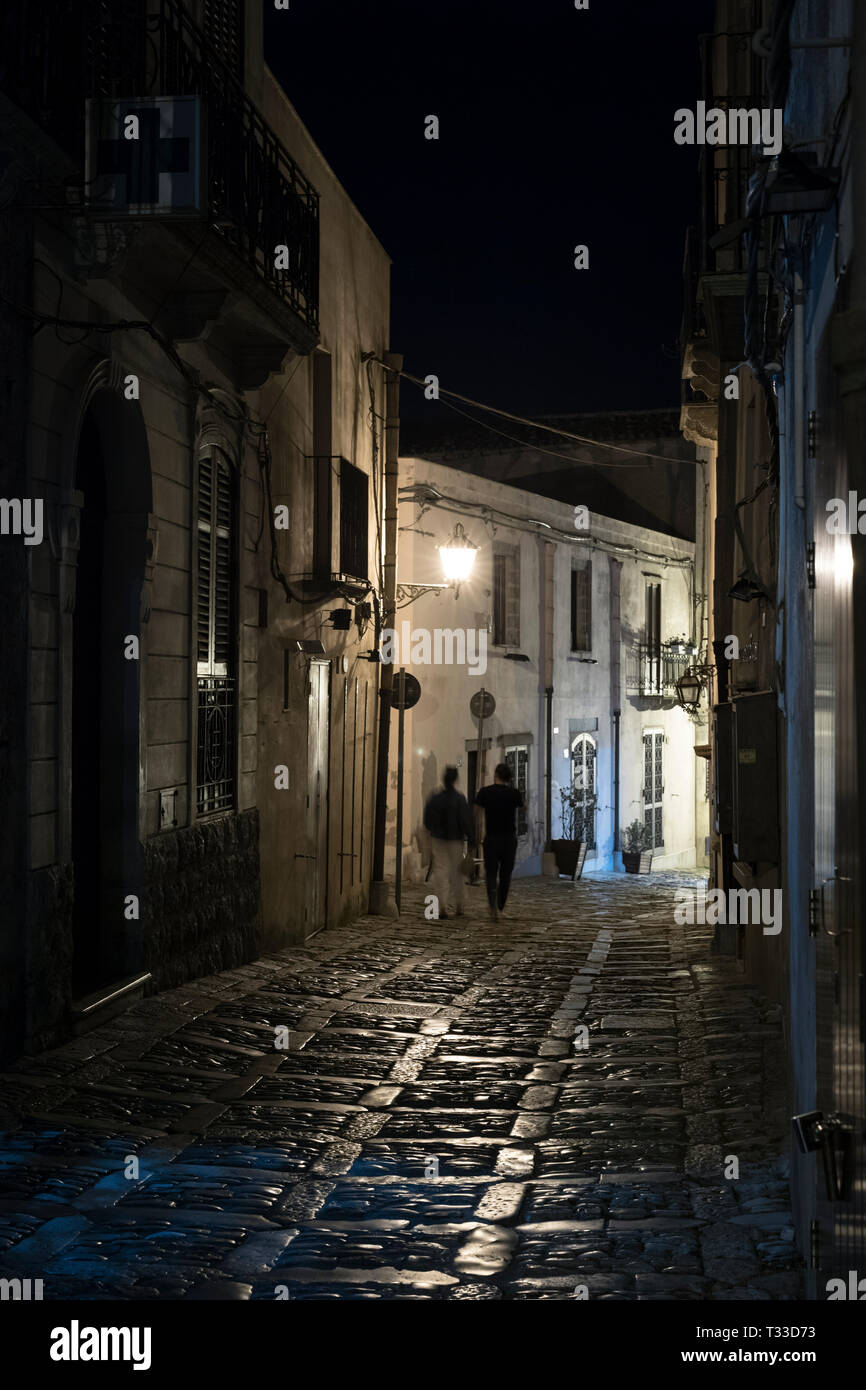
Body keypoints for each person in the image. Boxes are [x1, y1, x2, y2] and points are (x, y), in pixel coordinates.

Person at [423, 766, 475, 920]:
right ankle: (459, 905)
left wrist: (433, 829)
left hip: (438, 839)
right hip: (455, 840)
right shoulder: (459, 799)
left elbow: (427, 821)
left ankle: (441, 906)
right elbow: (466, 820)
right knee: (457, 872)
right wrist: (471, 838)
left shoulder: (435, 798)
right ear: (455, 780)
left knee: (440, 871)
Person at [474, 762, 523, 920]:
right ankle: (501, 904)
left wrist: (479, 832)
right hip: (509, 839)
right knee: (505, 874)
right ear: (508, 777)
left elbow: (477, 813)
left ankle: (492, 906)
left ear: (495, 775)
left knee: (490, 874)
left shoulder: (485, 792)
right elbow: (524, 808)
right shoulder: (514, 793)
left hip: (491, 838)